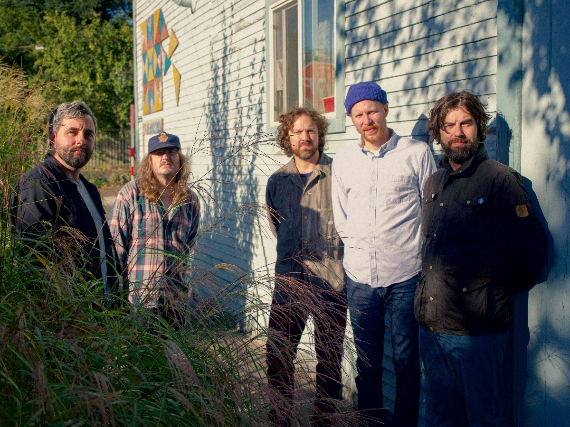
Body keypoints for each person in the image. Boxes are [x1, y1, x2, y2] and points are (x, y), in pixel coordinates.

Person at [415, 91, 548, 426]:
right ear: (439, 132)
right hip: (432, 327)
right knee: (440, 417)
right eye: (448, 125)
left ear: (480, 127)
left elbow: (532, 253)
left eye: (466, 123)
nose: (458, 132)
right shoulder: (433, 182)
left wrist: (489, 296)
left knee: (483, 419)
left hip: (478, 335)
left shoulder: (501, 180)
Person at [332, 82, 436, 427]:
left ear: (385, 110)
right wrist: (360, 247)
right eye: (358, 115)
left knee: (406, 362)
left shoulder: (416, 153)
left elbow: (429, 211)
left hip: (405, 275)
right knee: (367, 362)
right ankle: (370, 422)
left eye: (372, 111)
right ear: (351, 119)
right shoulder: (344, 160)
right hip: (360, 277)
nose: (367, 120)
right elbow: (341, 216)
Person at [265, 107, 347, 427]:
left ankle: (324, 419)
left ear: (320, 133)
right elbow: (277, 226)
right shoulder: (277, 181)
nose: (304, 136)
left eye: (310, 130)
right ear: (287, 137)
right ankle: (280, 416)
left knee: (329, 358)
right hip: (288, 283)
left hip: (330, 283)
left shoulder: (338, 174)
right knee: (278, 354)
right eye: (297, 131)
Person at [10, 101, 121, 301]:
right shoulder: (38, 185)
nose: (81, 140)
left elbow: (105, 251)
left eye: (88, 134)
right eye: (72, 132)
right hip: (69, 314)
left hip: (104, 310)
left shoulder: (89, 189)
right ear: (53, 138)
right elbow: (35, 263)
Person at [109, 132, 199, 326]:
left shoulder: (190, 200)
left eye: (171, 151)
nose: (165, 157)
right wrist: (116, 298)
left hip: (176, 301)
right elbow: (116, 249)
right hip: (140, 300)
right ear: (149, 161)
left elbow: (189, 245)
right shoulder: (131, 194)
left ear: (180, 158)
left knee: (173, 347)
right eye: (159, 153)